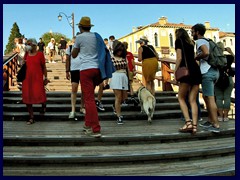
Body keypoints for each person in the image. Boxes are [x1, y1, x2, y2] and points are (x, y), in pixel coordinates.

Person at [71, 16, 102, 138]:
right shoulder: (95, 36)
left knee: (88, 100)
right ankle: (87, 124)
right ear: (90, 27)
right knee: (90, 97)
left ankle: (96, 129)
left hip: (85, 69)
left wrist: (75, 47)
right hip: (97, 69)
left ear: (80, 27)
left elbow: (74, 55)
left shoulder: (79, 37)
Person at [191, 23, 220, 133]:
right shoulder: (208, 40)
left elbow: (206, 52)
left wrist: (196, 57)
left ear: (197, 32)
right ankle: (211, 120)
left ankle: (216, 125)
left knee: (210, 98)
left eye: (192, 32)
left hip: (207, 72)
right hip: (214, 71)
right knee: (207, 97)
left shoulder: (199, 41)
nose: (192, 34)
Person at [174, 28, 201, 135]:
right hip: (195, 70)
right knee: (193, 100)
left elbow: (179, 58)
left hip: (186, 71)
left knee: (181, 97)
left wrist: (175, 72)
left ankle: (188, 123)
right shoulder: (191, 43)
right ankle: (194, 126)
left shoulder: (178, 41)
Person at [21, 38, 49, 125]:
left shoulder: (40, 54)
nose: (27, 46)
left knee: (40, 93)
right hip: (27, 79)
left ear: (34, 45)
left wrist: (45, 77)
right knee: (27, 95)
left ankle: (43, 105)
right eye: (27, 44)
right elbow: (23, 65)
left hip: (37, 78)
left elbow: (43, 67)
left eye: (29, 44)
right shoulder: (26, 54)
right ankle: (31, 117)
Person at [109, 40, 129, 125]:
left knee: (124, 97)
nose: (120, 52)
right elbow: (109, 69)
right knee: (118, 97)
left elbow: (127, 68)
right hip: (116, 76)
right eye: (119, 50)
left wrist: (130, 78)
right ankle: (119, 116)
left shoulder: (124, 58)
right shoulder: (111, 58)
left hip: (124, 76)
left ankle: (115, 107)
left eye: (121, 50)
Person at [65, 36, 85, 119]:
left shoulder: (84, 48)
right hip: (74, 70)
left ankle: (82, 107)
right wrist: (67, 71)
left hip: (83, 69)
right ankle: (73, 109)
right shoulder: (70, 48)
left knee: (84, 89)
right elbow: (67, 59)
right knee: (74, 89)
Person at [214, 42, 235, 122]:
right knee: (227, 98)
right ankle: (226, 117)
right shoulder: (229, 57)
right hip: (228, 79)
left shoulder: (215, 58)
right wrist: (230, 51)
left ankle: (220, 116)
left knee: (218, 98)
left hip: (217, 78)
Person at [122, 41, 138, 105]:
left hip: (123, 71)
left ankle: (125, 99)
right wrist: (134, 69)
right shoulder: (130, 54)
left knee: (124, 85)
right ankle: (132, 96)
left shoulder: (121, 54)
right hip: (130, 70)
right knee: (130, 84)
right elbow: (132, 62)